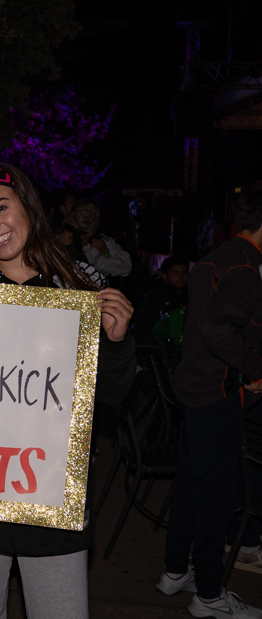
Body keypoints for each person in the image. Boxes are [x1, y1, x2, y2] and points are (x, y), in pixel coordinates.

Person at [0, 162, 136, 619]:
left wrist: (118, 343)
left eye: (0, 207)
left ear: (28, 205)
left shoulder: (82, 284)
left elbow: (112, 396)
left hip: (50, 499)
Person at [157, 193, 262, 618]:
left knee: (188, 485)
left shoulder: (217, 257)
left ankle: (174, 572)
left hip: (194, 389)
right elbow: (218, 329)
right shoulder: (246, 268)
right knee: (214, 496)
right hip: (215, 395)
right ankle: (210, 596)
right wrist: (255, 368)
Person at [63, 202, 132, 279]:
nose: (85, 241)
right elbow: (71, 269)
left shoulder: (102, 240)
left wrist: (97, 261)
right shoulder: (63, 241)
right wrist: (94, 252)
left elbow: (126, 266)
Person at [132, 254, 189, 348]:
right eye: (175, 273)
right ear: (165, 276)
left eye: (184, 272)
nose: (181, 277)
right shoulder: (157, 295)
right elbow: (147, 327)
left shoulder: (191, 294)